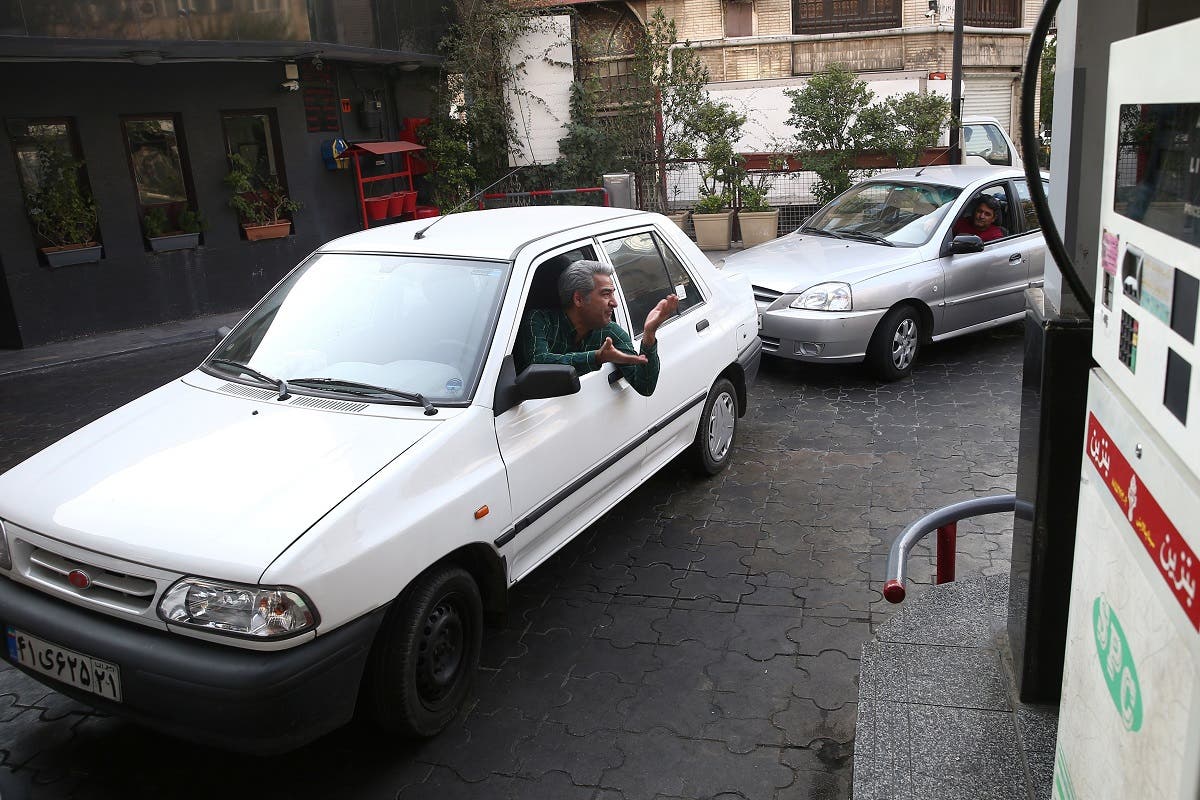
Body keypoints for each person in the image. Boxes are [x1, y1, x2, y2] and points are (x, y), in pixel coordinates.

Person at [514, 260, 678, 396]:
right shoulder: (539, 320)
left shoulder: (611, 332)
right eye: (606, 294)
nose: (615, 302)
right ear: (578, 299)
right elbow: (537, 363)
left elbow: (645, 387)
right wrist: (596, 357)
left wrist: (649, 335)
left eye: (613, 294)